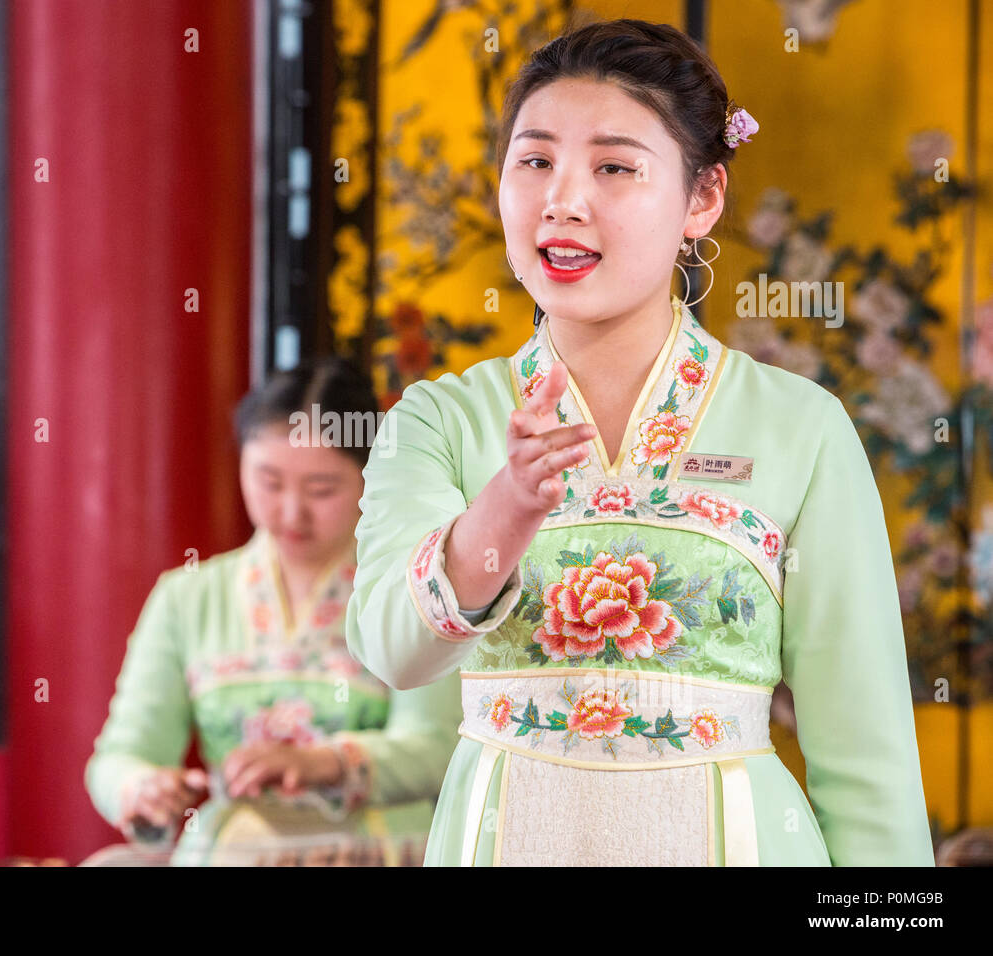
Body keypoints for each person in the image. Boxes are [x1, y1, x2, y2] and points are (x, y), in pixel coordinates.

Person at [345, 18, 934, 866]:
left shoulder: (802, 426)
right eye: (535, 160)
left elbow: (865, 750)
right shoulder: (439, 420)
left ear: (703, 199)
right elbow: (395, 651)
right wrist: (504, 512)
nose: (563, 200)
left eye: (614, 167)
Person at [85, 357, 462, 865]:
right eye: (269, 481)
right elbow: (122, 752)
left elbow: (436, 745)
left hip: (374, 846)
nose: (290, 513)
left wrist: (323, 763)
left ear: (373, 475)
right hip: (237, 842)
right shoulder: (188, 596)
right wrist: (140, 786)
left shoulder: (409, 588)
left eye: (321, 489)